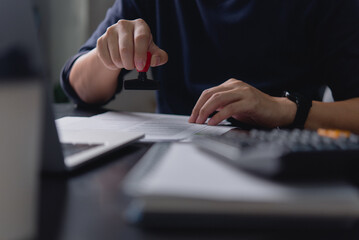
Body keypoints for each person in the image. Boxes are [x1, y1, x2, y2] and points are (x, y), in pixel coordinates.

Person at [61, 0, 359, 133]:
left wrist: (284, 109)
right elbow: (79, 87)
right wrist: (107, 56)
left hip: (283, 167)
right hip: (168, 166)